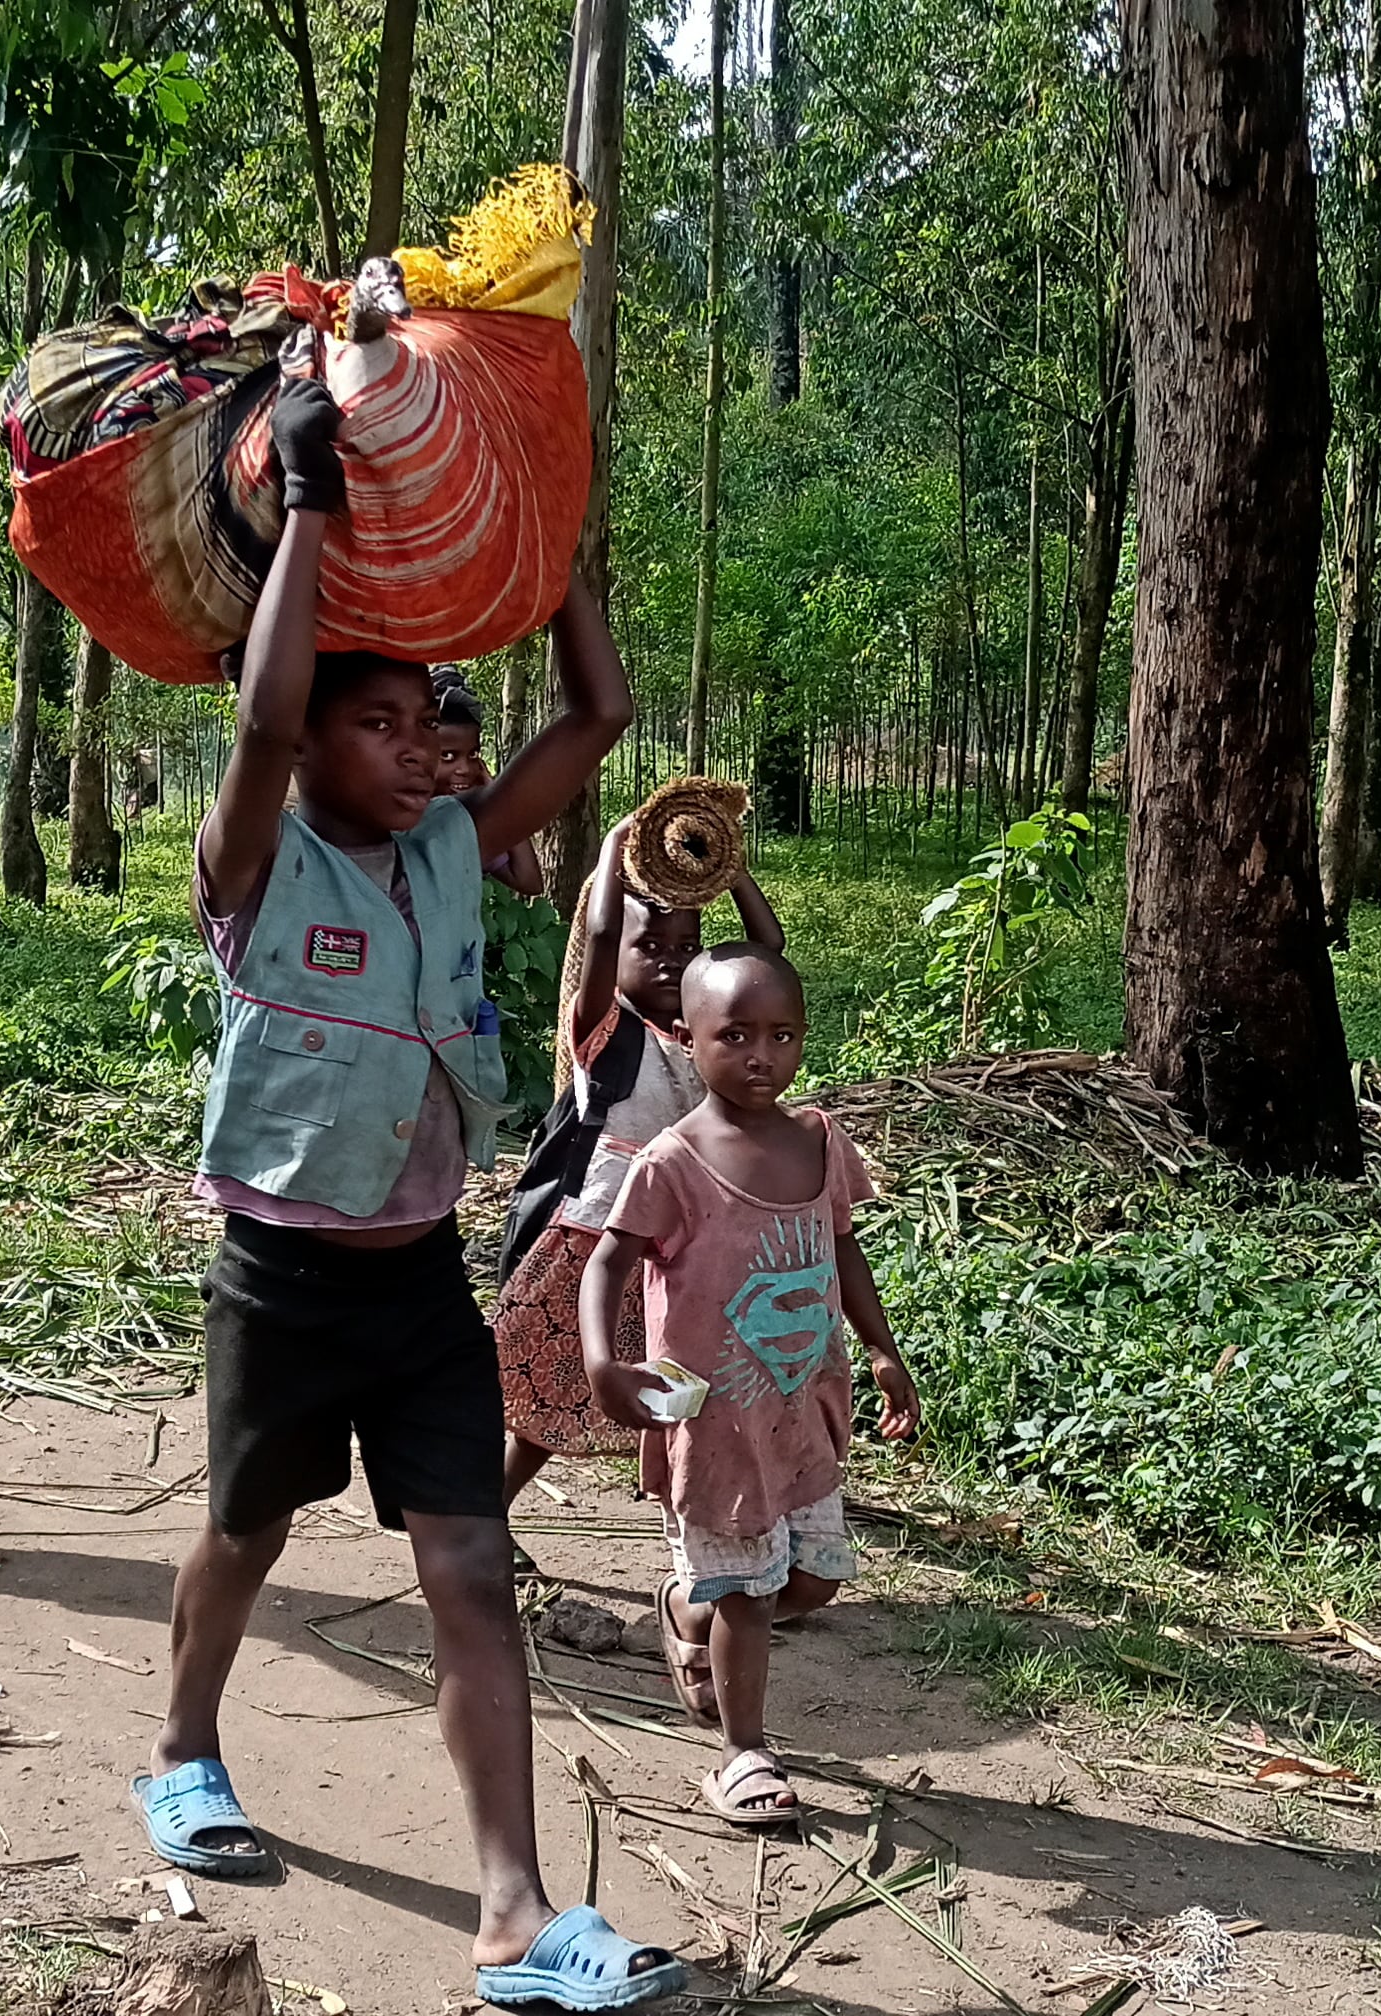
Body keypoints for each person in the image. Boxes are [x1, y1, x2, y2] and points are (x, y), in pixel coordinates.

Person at [140, 329, 677, 2012]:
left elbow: (600, 711)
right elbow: (267, 704)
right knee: (242, 1529)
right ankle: (182, 1745)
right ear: (304, 746)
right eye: (362, 724)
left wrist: (555, 538)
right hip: (277, 1276)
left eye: (415, 723)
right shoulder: (251, 850)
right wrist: (306, 498)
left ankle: (512, 1914)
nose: (402, 748)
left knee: (463, 1561)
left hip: (415, 1278)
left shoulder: (454, 845)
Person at [577, 943, 921, 1828]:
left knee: (811, 1584)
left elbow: (841, 1247)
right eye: (734, 1035)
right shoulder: (673, 1161)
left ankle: (687, 1604)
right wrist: (601, 1363)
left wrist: (881, 1350)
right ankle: (742, 1753)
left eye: (781, 1035)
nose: (760, 1056)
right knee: (751, 1596)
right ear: (687, 1041)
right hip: (715, 1420)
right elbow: (606, 1260)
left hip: (800, 1406)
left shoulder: (818, 1142)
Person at [490, 811, 778, 1714]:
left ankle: (698, 1579)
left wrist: (726, 874)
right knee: (549, 1404)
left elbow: (766, 948)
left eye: (683, 945)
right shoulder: (601, 1029)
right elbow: (603, 932)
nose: (666, 957)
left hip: (684, 1257)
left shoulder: (712, 1034)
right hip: (590, 1249)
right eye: (649, 945)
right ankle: (480, 1519)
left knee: (681, 1409)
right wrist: (615, 857)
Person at [436, 674, 544, 898]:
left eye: (473, 754)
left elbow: (529, 880)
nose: (464, 768)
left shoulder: (469, 825)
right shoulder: (399, 824)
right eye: (447, 756)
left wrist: (498, 797)